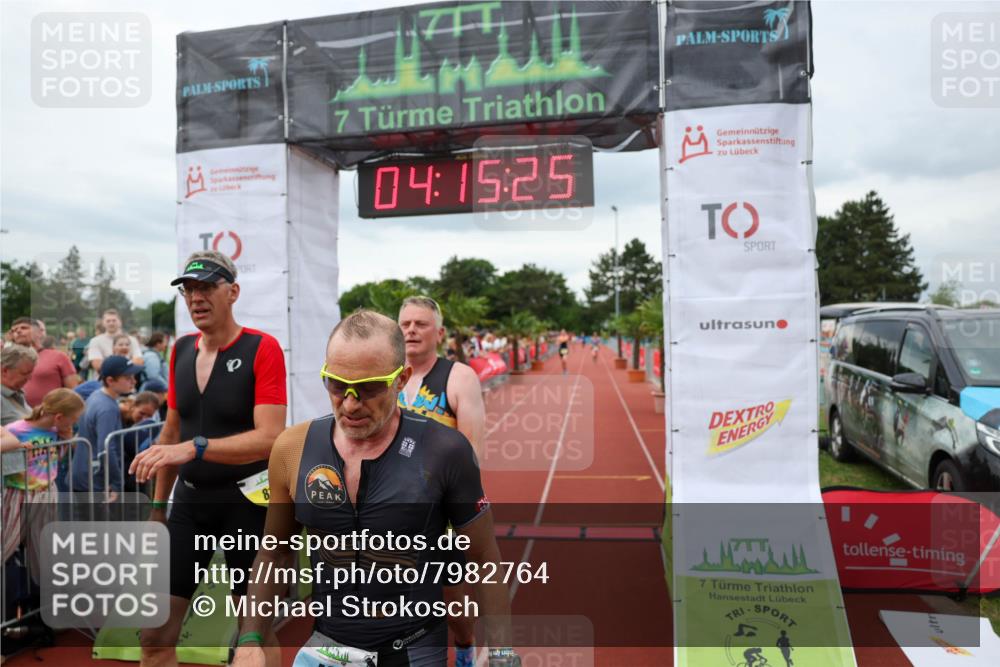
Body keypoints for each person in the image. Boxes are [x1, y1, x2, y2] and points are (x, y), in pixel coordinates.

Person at [231, 310, 516, 667]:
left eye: (369, 388)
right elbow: (274, 554)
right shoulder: (292, 449)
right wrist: (251, 639)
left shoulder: (445, 451)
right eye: (337, 385)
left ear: (401, 379)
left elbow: (484, 558)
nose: (351, 403)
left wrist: (502, 651)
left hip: (414, 650)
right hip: (328, 647)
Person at [130, 250, 287, 667]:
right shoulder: (181, 349)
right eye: (188, 290)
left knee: (254, 634)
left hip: (248, 505)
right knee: (154, 635)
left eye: (206, 287)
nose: (196, 298)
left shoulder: (262, 348)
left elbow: (270, 438)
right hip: (190, 505)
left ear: (232, 292)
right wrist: (158, 507)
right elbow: (171, 433)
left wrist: (196, 447)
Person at [398, 296, 487, 667]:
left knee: (454, 606)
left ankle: (465, 645)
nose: (411, 330)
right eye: (405, 324)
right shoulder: (387, 376)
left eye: (420, 324)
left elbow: (471, 452)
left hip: (442, 509)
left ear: (440, 333)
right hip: (391, 506)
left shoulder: (459, 377)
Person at [2, 389, 85, 563]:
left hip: (46, 491)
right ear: (59, 417)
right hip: (19, 494)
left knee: (44, 546)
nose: (75, 423)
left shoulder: (56, 431)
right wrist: (17, 450)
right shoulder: (14, 430)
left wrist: (67, 439)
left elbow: (54, 458)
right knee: (6, 542)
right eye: (74, 419)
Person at [72, 355, 143, 501]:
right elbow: (106, 448)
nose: (134, 381)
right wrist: (117, 483)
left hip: (86, 476)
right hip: (94, 481)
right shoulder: (107, 408)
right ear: (110, 380)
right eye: (128, 377)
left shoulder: (97, 396)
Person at [21, 321, 80, 407]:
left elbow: (73, 391)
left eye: (42, 330)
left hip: (52, 412)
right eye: (14, 330)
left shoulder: (59, 357)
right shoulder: (13, 358)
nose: (19, 332)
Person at [86, 309, 143, 377]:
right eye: (108, 321)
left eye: (114, 320)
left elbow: (139, 361)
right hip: (104, 381)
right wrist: (127, 364)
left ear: (120, 322)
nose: (111, 323)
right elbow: (98, 365)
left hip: (128, 380)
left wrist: (110, 365)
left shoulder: (132, 340)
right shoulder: (95, 341)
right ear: (103, 323)